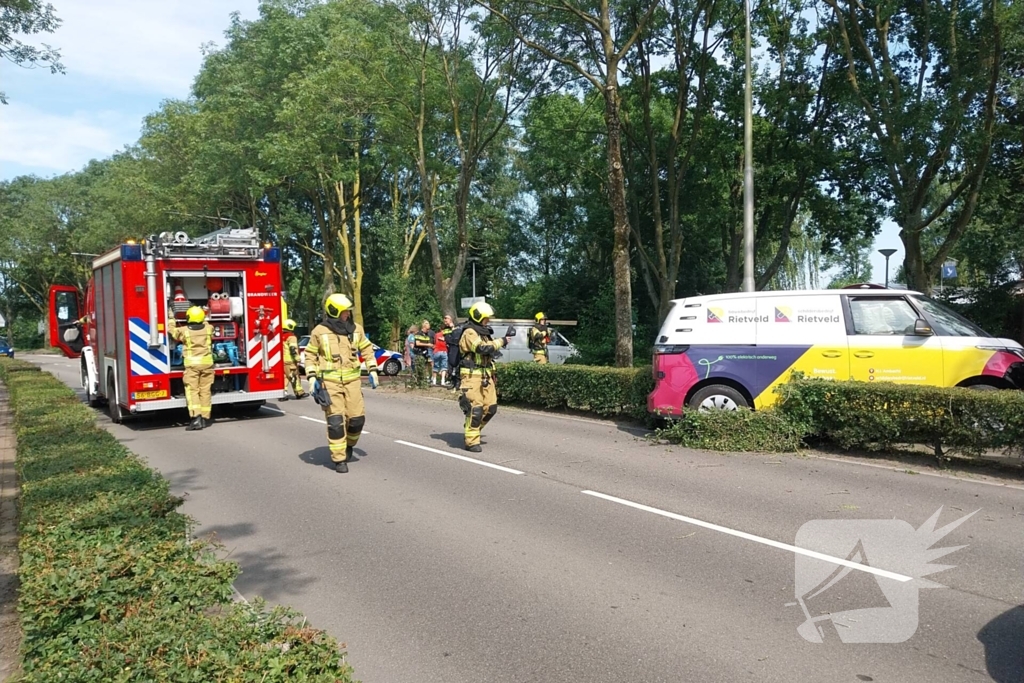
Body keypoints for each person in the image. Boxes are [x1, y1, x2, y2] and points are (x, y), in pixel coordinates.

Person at [305, 294, 379, 473]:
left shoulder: (356, 329)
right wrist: (312, 377)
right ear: (334, 311)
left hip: (352, 381)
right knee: (336, 421)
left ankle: (349, 445)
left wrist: (373, 370)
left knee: (357, 420)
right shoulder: (319, 331)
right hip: (330, 383)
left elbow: (367, 349)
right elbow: (310, 355)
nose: (347, 314)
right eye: (344, 311)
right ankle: (339, 459)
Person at [458, 302, 510, 453]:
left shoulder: (484, 333)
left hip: (486, 375)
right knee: (476, 409)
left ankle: (471, 428)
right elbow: (481, 348)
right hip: (471, 376)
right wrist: (502, 341)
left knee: (491, 408)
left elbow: (489, 354)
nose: (488, 321)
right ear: (478, 317)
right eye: (486, 318)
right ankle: (471, 441)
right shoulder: (469, 332)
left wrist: (493, 373)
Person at [169, 305, 214, 431]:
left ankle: (196, 418)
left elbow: (172, 331)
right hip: (207, 365)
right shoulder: (209, 328)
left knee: (192, 391)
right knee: (205, 391)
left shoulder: (184, 331)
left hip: (192, 366)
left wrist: (171, 318)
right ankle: (205, 418)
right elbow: (205, 323)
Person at [281, 319, 307, 400]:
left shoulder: (280, 336)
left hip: (282, 361)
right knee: (294, 376)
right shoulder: (291, 337)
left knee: (285, 377)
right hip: (290, 360)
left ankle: (283, 394)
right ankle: (299, 393)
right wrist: (297, 359)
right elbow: (293, 349)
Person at [434, 314, 455, 387]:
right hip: (445, 349)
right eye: (444, 319)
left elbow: (454, 336)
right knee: (445, 365)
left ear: (451, 320)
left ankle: (451, 379)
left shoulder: (453, 327)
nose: (445, 320)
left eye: (447, 319)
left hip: (452, 348)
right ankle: (446, 379)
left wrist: (452, 327)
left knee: (450, 364)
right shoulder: (444, 329)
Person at [412, 319, 433, 388]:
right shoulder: (418, 334)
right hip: (419, 353)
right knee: (419, 368)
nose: (429, 325)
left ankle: (424, 381)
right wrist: (428, 345)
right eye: (428, 324)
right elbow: (417, 343)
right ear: (424, 326)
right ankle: (416, 383)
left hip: (425, 354)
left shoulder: (426, 334)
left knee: (425, 367)